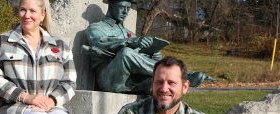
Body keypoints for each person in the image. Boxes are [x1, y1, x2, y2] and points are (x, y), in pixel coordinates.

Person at [85, 0, 214, 94]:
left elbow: (140, 60)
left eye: (128, 9)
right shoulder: (96, 28)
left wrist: (152, 52)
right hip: (109, 79)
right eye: (122, 7)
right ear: (111, 5)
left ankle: (177, 80)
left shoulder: (128, 33)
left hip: (131, 80)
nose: (125, 12)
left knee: (160, 83)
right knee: (126, 53)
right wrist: (131, 42)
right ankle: (178, 76)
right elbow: (100, 43)